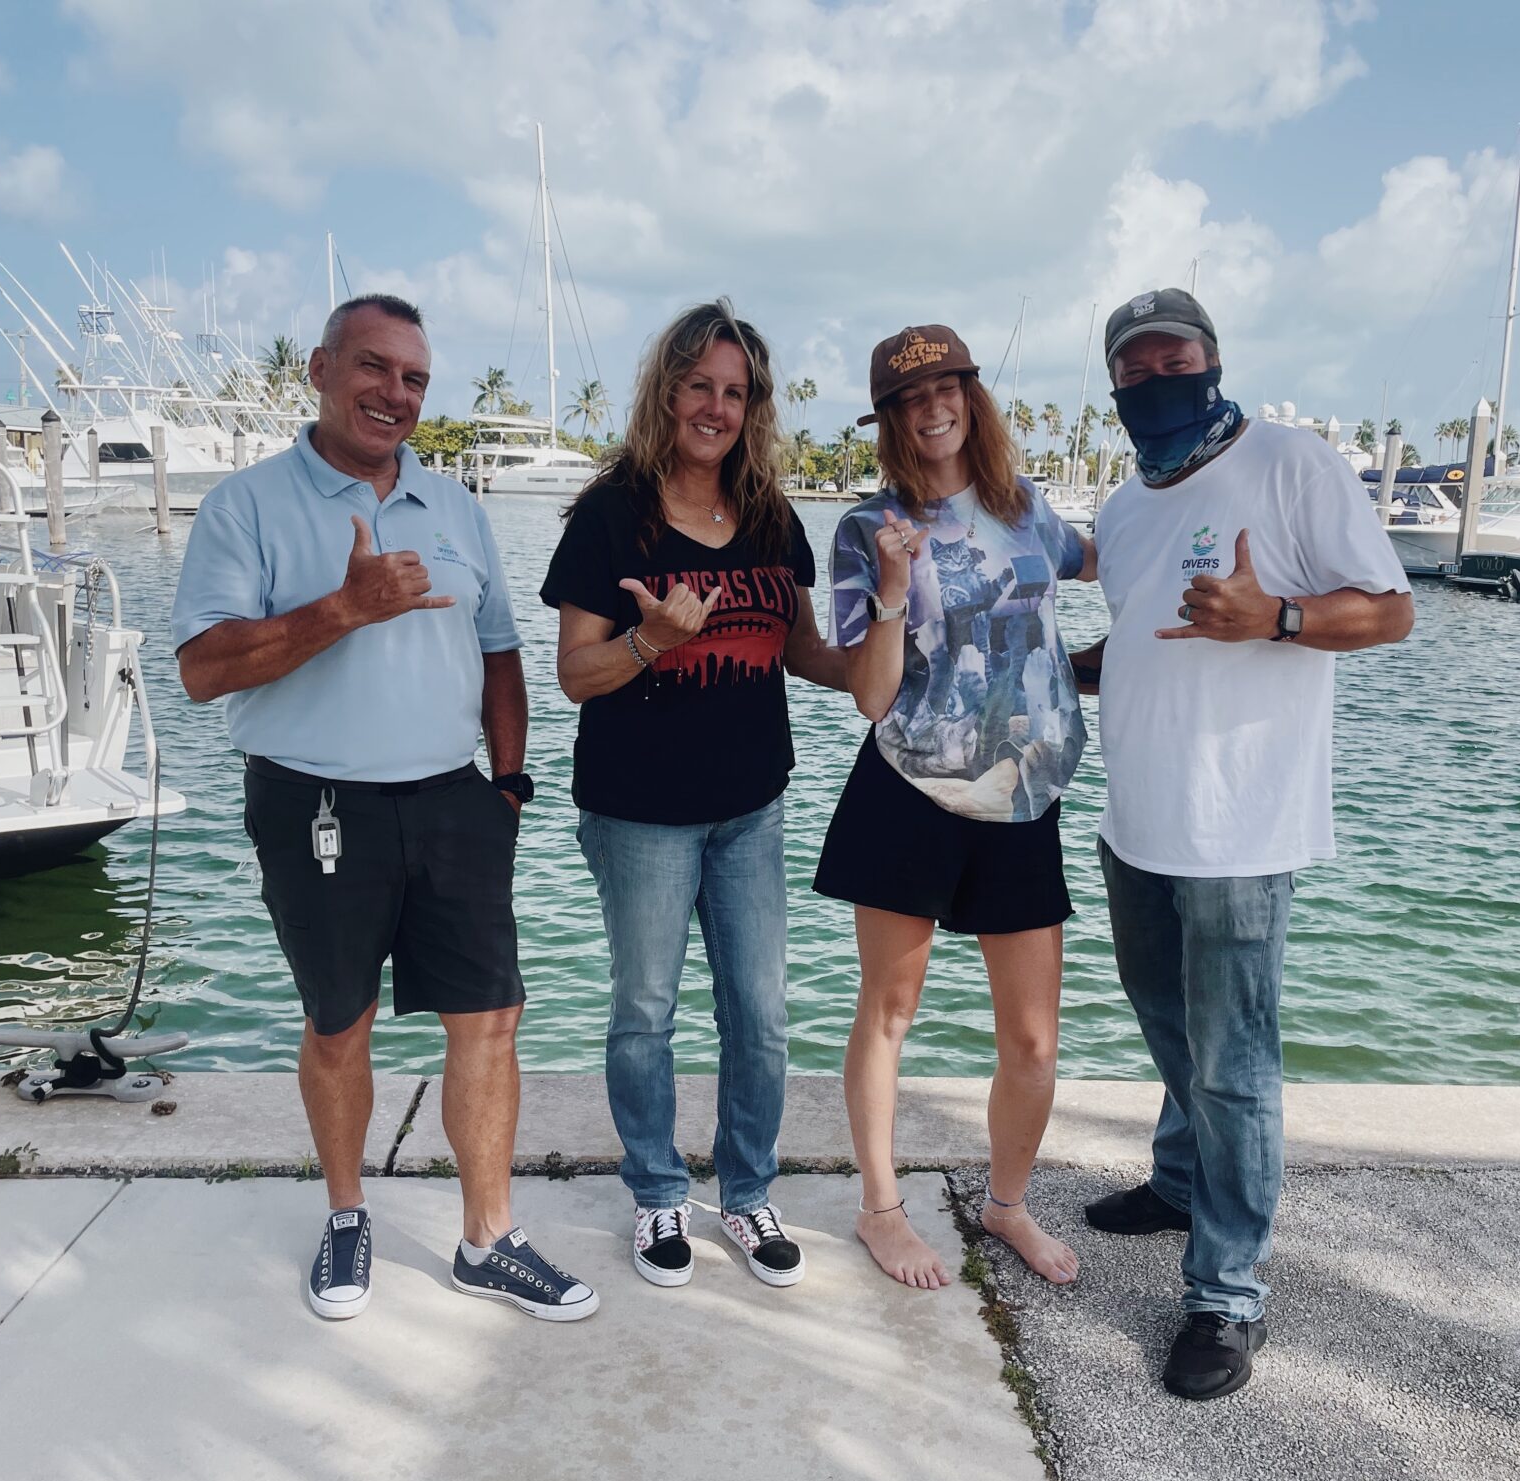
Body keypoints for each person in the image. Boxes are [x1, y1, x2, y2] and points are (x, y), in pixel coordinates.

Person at [172, 294, 596, 1324]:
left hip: (456, 801)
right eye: (373, 367)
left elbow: (499, 651)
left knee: (490, 1019)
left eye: (413, 378)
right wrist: (343, 610)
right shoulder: (248, 505)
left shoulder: (457, 507)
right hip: (312, 803)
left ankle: (487, 1238)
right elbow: (201, 668)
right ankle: (349, 1212)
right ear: (319, 368)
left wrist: (507, 783)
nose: (393, 393)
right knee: (338, 1023)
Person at [1073, 287, 1412, 1398]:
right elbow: (1143, 636)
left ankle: (1225, 1294)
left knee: (1232, 1064)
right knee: (1165, 1023)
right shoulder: (1126, 506)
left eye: (1170, 354)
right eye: (1131, 364)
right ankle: (1180, 1181)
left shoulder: (1290, 464)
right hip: (1136, 821)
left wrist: (1275, 618)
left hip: (1239, 827)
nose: (1151, 374)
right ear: (1116, 385)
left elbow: (1387, 610)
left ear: (1211, 361)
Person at [541, 299, 844, 1290]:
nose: (715, 406)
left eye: (735, 391)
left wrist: (895, 638)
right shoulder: (610, 515)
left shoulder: (768, 515)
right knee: (644, 1011)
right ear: (665, 392)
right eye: (698, 386)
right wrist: (649, 644)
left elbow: (802, 652)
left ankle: (749, 1191)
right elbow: (574, 675)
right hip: (638, 815)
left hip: (750, 806)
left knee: (758, 1014)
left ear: (751, 407)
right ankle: (658, 1189)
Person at [815, 324, 1097, 1291]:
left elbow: (1105, 563)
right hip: (909, 791)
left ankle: (1006, 1204)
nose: (933, 406)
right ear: (890, 419)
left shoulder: (1028, 510)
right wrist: (894, 590)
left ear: (973, 396)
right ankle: (881, 1211)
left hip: (1026, 792)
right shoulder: (867, 529)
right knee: (889, 1012)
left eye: (950, 386)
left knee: (1032, 1038)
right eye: (909, 397)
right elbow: (869, 694)